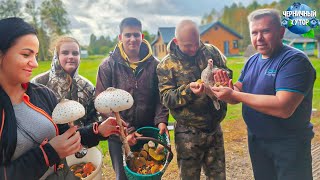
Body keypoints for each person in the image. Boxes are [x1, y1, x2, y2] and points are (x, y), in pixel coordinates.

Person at [0, 17, 123, 179]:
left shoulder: (42, 94)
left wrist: (97, 130)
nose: (35, 63)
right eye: (26, 54)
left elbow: (67, 135)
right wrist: (48, 153)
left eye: (36, 55)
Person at [211, 9, 316, 180]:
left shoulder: (294, 61)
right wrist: (223, 91)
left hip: (289, 145)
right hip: (257, 142)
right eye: (254, 32)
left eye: (265, 31)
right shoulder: (253, 59)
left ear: (281, 32)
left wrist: (235, 95)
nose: (259, 38)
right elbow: (237, 91)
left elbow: (284, 107)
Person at [156, 19, 232, 180]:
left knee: (218, 176)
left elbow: (227, 71)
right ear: (176, 42)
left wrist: (222, 76)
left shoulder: (211, 52)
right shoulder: (166, 65)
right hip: (187, 133)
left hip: (214, 128)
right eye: (188, 45)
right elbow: (166, 98)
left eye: (196, 43)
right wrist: (188, 91)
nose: (194, 48)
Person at [95, 17, 169, 180]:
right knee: (123, 177)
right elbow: (102, 105)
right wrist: (126, 131)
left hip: (148, 132)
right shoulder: (107, 66)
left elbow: (161, 96)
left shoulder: (155, 65)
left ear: (142, 37)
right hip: (118, 136)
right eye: (128, 35)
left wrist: (161, 120)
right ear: (120, 38)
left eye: (136, 35)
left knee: (150, 174)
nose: (132, 39)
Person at [32, 36, 98, 127]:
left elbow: (93, 121)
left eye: (75, 53)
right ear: (57, 56)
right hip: (49, 140)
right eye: (65, 53)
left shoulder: (87, 86)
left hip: (81, 139)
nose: (71, 56)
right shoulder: (38, 83)